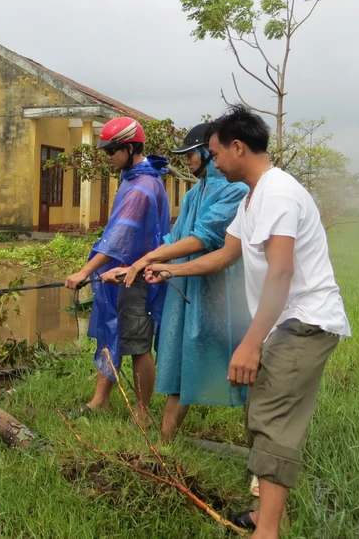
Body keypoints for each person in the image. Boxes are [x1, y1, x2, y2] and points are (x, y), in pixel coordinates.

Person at [145, 105, 351, 538]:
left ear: (238, 147)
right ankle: (264, 515)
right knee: (260, 412)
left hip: (305, 322)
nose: (214, 161)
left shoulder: (276, 194)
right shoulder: (255, 195)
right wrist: (170, 269)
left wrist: (250, 343)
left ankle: (267, 530)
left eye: (217, 152)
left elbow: (280, 272)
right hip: (285, 322)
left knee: (272, 417)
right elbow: (224, 254)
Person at [105, 123, 251, 442]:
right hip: (187, 290)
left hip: (223, 294)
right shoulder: (194, 194)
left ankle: (260, 449)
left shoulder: (234, 190)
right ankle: (165, 442)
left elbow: (204, 238)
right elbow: (175, 237)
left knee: (244, 366)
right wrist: (133, 266)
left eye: (191, 155)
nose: (187, 161)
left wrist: (146, 261)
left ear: (208, 153)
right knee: (182, 361)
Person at [63, 116, 169, 419]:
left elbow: (119, 239)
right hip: (118, 274)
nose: (108, 158)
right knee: (113, 335)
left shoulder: (141, 187)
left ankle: (142, 412)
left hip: (136, 275)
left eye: (112, 151)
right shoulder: (136, 178)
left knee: (137, 345)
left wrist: (84, 272)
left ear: (130, 148)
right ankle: (100, 399)